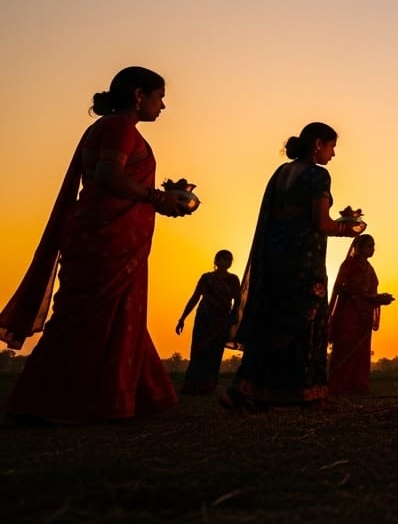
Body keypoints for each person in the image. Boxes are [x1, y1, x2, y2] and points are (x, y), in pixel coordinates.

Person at [0, 66, 189, 421]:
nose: (162, 106)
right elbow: (108, 175)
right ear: (138, 95)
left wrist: (161, 199)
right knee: (82, 318)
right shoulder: (118, 127)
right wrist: (154, 196)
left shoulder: (111, 128)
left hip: (112, 236)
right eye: (159, 96)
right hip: (103, 237)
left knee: (118, 316)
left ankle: (123, 398)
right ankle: (39, 403)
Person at [225, 122, 363, 410]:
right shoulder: (318, 175)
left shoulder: (281, 173)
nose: (333, 154)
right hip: (303, 261)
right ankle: (309, 394)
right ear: (317, 145)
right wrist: (347, 229)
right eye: (331, 146)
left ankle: (249, 390)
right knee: (306, 321)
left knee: (273, 321)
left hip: (275, 258)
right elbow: (320, 222)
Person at [328, 234, 394, 396]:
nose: (372, 249)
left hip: (364, 316)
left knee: (361, 352)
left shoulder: (369, 268)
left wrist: (378, 299)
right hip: (349, 314)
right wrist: (364, 297)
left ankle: (357, 386)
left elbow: (369, 292)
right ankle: (338, 387)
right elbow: (340, 288)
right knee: (345, 347)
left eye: (373, 246)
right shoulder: (349, 265)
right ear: (357, 247)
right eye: (369, 246)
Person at [175, 249, 242, 395]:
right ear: (216, 261)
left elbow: (237, 302)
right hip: (204, 320)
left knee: (214, 353)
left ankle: (208, 386)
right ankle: (192, 386)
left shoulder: (233, 280)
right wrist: (182, 318)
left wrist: (233, 319)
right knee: (199, 351)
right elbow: (195, 298)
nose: (226, 261)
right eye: (223, 258)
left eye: (229, 259)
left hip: (221, 322)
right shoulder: (206, 278)